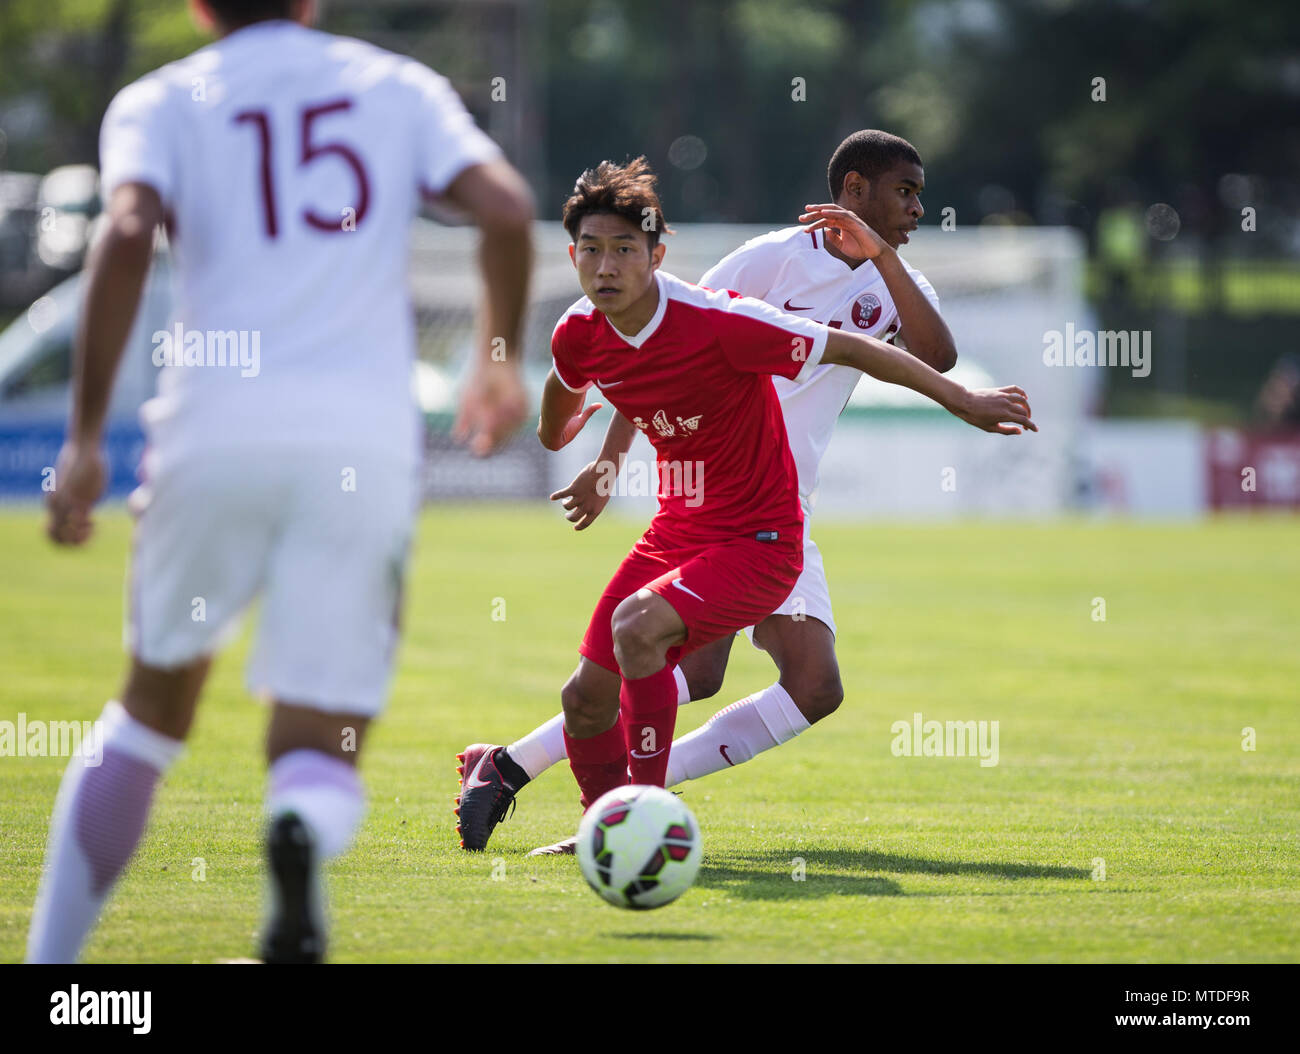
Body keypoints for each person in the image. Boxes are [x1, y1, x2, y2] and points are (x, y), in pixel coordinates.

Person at [28, 0, 533, 963]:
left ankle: (53, 974)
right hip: (360, 444)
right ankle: (294, 839)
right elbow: (506, 208)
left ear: (197, 5)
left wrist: (87, 433)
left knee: (147, 718)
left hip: (211, 430)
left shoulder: (161, 98)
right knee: (319, 738)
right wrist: (497, 359)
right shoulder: (393, 86)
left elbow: (125, 235)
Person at [455, 152, 1033, 853]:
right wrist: (607, 458)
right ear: (855, 189)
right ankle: (610, 805)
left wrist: (882, 259)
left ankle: (591, 797)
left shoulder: (897, 283)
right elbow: (655, 345)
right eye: (905, 193)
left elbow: (935, 355)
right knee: (703, 668)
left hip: (775, 502)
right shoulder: (765, 262)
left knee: (767, 679)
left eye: (920, 195)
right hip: (713, 502)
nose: (918, 209)